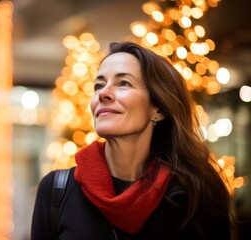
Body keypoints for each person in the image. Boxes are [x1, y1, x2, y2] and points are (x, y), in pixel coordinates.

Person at [31, 41, 233, 239]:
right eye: (99, 85)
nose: (104, 94)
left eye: (123, 83)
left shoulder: (195, 193)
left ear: (158, 109)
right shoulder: (56, 190)